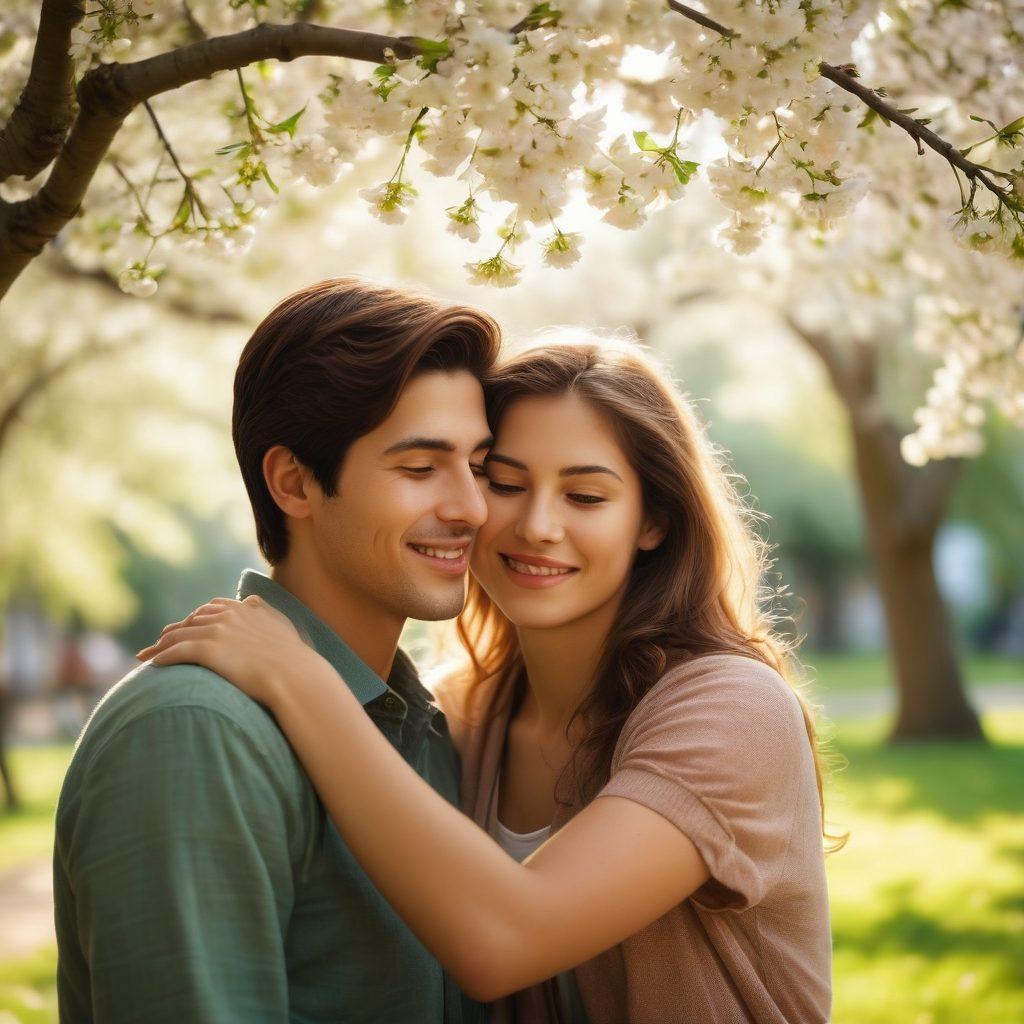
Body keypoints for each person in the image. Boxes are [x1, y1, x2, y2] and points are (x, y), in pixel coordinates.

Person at [141, 335, 840, 1024]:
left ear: (653, 519)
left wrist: (300, 676)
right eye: (503, 483)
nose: (537, 525)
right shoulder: (463, 718)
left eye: (587, 497)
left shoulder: (733, 709)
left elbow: (505, 942)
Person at [54, 277, 501, 1023]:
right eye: (420, 468)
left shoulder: (427, 727)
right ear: (293, 482)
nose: (471, 508)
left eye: (480, 465)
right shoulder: (198, 731)